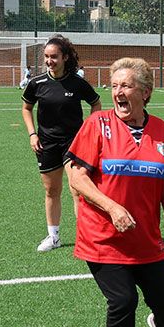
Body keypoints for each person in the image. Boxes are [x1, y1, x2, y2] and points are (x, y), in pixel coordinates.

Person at [66, 57, 164, 327]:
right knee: (123, 300)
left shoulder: (163, 132)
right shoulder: (97, 125)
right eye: (114, 86)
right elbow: (77, 177)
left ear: (145, 93)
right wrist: (113, 207)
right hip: (102, 237)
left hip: (145, 239)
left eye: (126, 86)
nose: (118, 92)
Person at [21, 34, 102, 252]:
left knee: (78, 189)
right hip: (45, 144)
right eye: (47, 57)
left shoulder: (77, 83)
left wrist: (88, 130)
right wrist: (32, 134)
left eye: (54, 57)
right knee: (51, 191)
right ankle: (53, 237)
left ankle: (85, 236)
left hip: (74, 143)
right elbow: (26, 108)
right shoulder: (36, 83)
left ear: (65, 57)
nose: (49, 61)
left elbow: (96, 103)